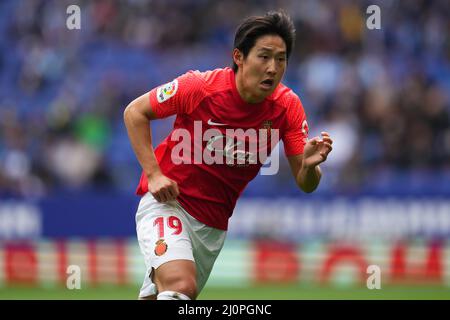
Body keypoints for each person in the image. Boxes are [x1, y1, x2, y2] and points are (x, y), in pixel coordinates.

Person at [124, 10, 333, 300]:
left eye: (281, 59)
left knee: (171, 295)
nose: (273, 68)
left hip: (213, 226)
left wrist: (309, 167)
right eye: (264, 56)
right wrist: (154, 174)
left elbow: (306, 183)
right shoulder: (199, 87)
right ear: (239, 57)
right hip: (168, 203)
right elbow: (135, 112)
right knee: (180, 288)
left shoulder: (288, 107)